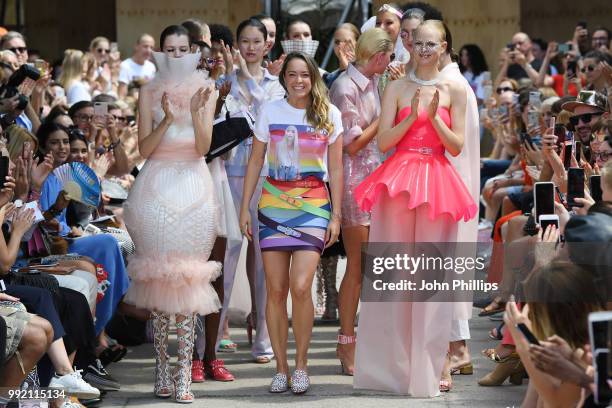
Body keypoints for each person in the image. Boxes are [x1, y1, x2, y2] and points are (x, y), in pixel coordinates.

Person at [353, 20, 477, 397]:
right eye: (418, 43)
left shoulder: (455, 87)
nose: (423, 50)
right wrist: (411, 116)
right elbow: (386, 141)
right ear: (410, 46)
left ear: (443, 48)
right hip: (399, 181)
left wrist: (436, 118)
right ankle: (393, 367)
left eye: (431, 44)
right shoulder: (398, 86)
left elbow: (456, 146)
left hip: (438, 182)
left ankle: (434, 363)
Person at [122, 25, 221, 403]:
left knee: (188, 281)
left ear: (192, 50)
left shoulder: (206, 89)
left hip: (194, 187)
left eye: (183, 49)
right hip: (155, 188)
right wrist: (165, 117)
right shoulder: (147, 91)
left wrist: (196, 113)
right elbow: (144, 149)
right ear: (159, 52)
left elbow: (202, 146)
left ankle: (184, 377)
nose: (176, 55)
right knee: (160, 282)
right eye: (169, 49)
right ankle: (162, 368)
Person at [239, 52, 343, 394]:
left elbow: (338, 169)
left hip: (313, 206)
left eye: (304, 74)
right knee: (276, 290)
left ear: (313, 77)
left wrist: (336, 215)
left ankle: (301, 365)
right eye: (292, 75)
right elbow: (256, 161)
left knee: (301, 286)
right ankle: (281, 367)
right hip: (272, 206)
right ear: (284, 78)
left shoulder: (329, 115)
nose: (299, 80)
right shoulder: (270, 111)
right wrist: (245, 208)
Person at [222, 17, 285, 366]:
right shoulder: (224, 83)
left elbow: (264, 117)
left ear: (266, 45)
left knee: (264, 259)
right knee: (229, 252)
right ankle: (216, 333)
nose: (249, 47)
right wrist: (237, 80)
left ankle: (263, 333)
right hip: (230, 174)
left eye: (255, 41)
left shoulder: (277, 86)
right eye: (243, 41)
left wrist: (246, 79)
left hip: (264, 177)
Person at [329, 27, 392, 376]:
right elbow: (351, 145)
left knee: (369, 267)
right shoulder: (344, 87)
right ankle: (346, 341)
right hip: (354, 182)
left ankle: (359, 340)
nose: (391, 62)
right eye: (390, 55)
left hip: (375, 178)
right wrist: (385, 119)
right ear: (379, 55)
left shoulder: (372, 83)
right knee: (357, 266)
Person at [117, 34, 156, 100]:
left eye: (151, 47)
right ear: (136, 46)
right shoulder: (125, 66)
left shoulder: (151, 67)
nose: (148, 50)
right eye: (145, 46)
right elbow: (121, 94)